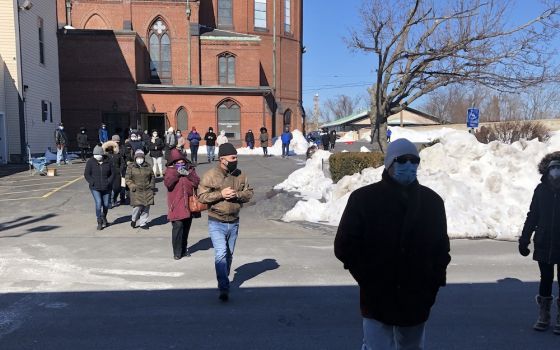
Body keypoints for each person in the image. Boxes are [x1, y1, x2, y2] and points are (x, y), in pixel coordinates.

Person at [334, 138, 451, 350]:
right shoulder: (364, 199)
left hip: (416, 297)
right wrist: (366, 275)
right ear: (389, 163)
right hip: (377, 295)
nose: (409, 165)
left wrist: (433, 283)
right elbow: (344, 245)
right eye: (402, 160)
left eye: (414, 160)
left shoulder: (432, 202)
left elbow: (441, 249)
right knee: (375, 346)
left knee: (412, 347)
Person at [198, 143, 254, 301]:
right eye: (232, 157)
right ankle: (223, 287)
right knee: (221, 254)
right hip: (216, 221)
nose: (235, 160)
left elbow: (249, 193)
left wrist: (237, 195)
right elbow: (201, 197)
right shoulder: (210, 175)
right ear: (222, 159)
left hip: (234, 222)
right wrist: (221, 194)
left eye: (236, 157)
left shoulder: (241, 174)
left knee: (229, 256)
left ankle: (224, 276)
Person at [519, 152, 560, 334]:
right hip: (544, 241)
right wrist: (524, 238)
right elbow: (533, 215)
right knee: (545, 279)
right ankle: (544, 315)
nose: (556, 173)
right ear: (547, 171)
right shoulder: (541, 190)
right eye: (553, 169)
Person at [164, 148, 200, 260]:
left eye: (182, 162)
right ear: (173, 163)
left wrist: (188, 174)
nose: (180, 164)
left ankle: (184, 250)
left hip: (188, 204)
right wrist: (177, 173)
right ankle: (177, 252)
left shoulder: (190, 169)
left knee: (186, 228)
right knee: (178, 227)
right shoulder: (170, 171)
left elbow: (196, 182)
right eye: (177, 163)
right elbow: (168, 184)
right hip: (176, 204)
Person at [84, 145, 114, 230]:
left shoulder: (108, 161)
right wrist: (92, 182)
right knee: (98, 203)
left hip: (106, 187)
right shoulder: (90, 162)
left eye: (98, 155)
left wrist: (108, 182)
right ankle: (99, 220)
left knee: (105, 205)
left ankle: (104, 217)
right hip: (95, 187)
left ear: (102, 154)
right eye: (95, 155)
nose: (97, 156)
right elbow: (87, 174)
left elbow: (112, 173)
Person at [125, 150, 155, 230]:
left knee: (146, 207)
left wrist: (152, 185)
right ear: (135, 158)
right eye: (138, 157)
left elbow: (152, 176)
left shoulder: (147, 166)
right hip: (136, 190)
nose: (140, 159)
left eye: (141, 157)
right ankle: (134, 219)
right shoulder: (131, 167)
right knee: (137, 207)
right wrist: (132, 186)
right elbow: (127, 179)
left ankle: (143, 223)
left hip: (147, 190)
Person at [103, 136, 125, 208]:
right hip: (108, 174)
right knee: (109, 189)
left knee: (117, 188)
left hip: (117, 173)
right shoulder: (105, 156)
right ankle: (109, 202)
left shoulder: (118, 155)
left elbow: (122, 163)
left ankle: (114, 199)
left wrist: (120, 169)